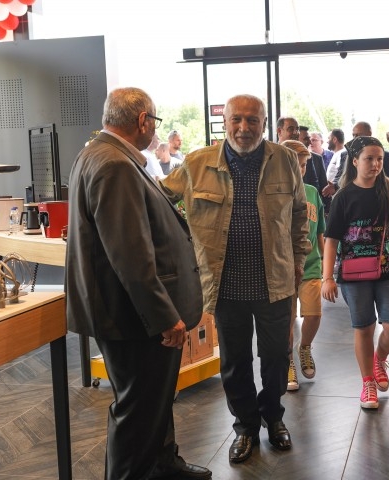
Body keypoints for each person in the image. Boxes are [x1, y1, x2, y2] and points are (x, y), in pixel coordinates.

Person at [65, 87, 211, 480]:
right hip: (134, 317)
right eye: (155, 122)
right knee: (138, 410)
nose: (155, 131)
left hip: (129, 313)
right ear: (143, 120)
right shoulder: (114, 164)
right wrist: (164, 317)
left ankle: (163, 465)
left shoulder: (101, 154)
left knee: (155, 401)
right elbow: (130, 254)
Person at [161, 94, 311, 464]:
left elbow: (297, 216)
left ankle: (273, 417)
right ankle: (245, 427)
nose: (244, 128)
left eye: (252, 120)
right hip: (224, 284)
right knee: (234, 361)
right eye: (237, 120)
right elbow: (159, 202)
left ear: (264, 122)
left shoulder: (285, 160)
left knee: (276, 357)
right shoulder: (196, 164)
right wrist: (183, 254)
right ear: (225, 122)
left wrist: (298, 260)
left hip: (275, 281)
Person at [321, 136, 389, 409]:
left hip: (388, 268)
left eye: (380, 159)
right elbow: (332, 238)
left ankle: (379, 357)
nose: (375, 164)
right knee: (364, 327)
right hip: (353, 273)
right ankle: (368, 382)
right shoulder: (344, 196)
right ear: (355, 161)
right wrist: (326, 278)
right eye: (369, 159)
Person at [280, 139, 325, 392]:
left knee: (314, 314)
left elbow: (320, 232)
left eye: (304, 165)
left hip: (311, 265)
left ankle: (305, 347)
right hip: (284, 268)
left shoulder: (312, 192)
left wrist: (326, 264)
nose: (300, 170)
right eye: (295, 165)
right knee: (287, 318)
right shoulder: (275, 194)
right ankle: (288, 361)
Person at [322, 122, 389, 197]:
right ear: (355, 161)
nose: (355, 138)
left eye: (358, 135)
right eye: (353, 135)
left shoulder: (386, 156)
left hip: (379, 196)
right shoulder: (346, 155)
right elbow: (340, 176)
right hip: (351, 196)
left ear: (369, 134)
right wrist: (334, 186)